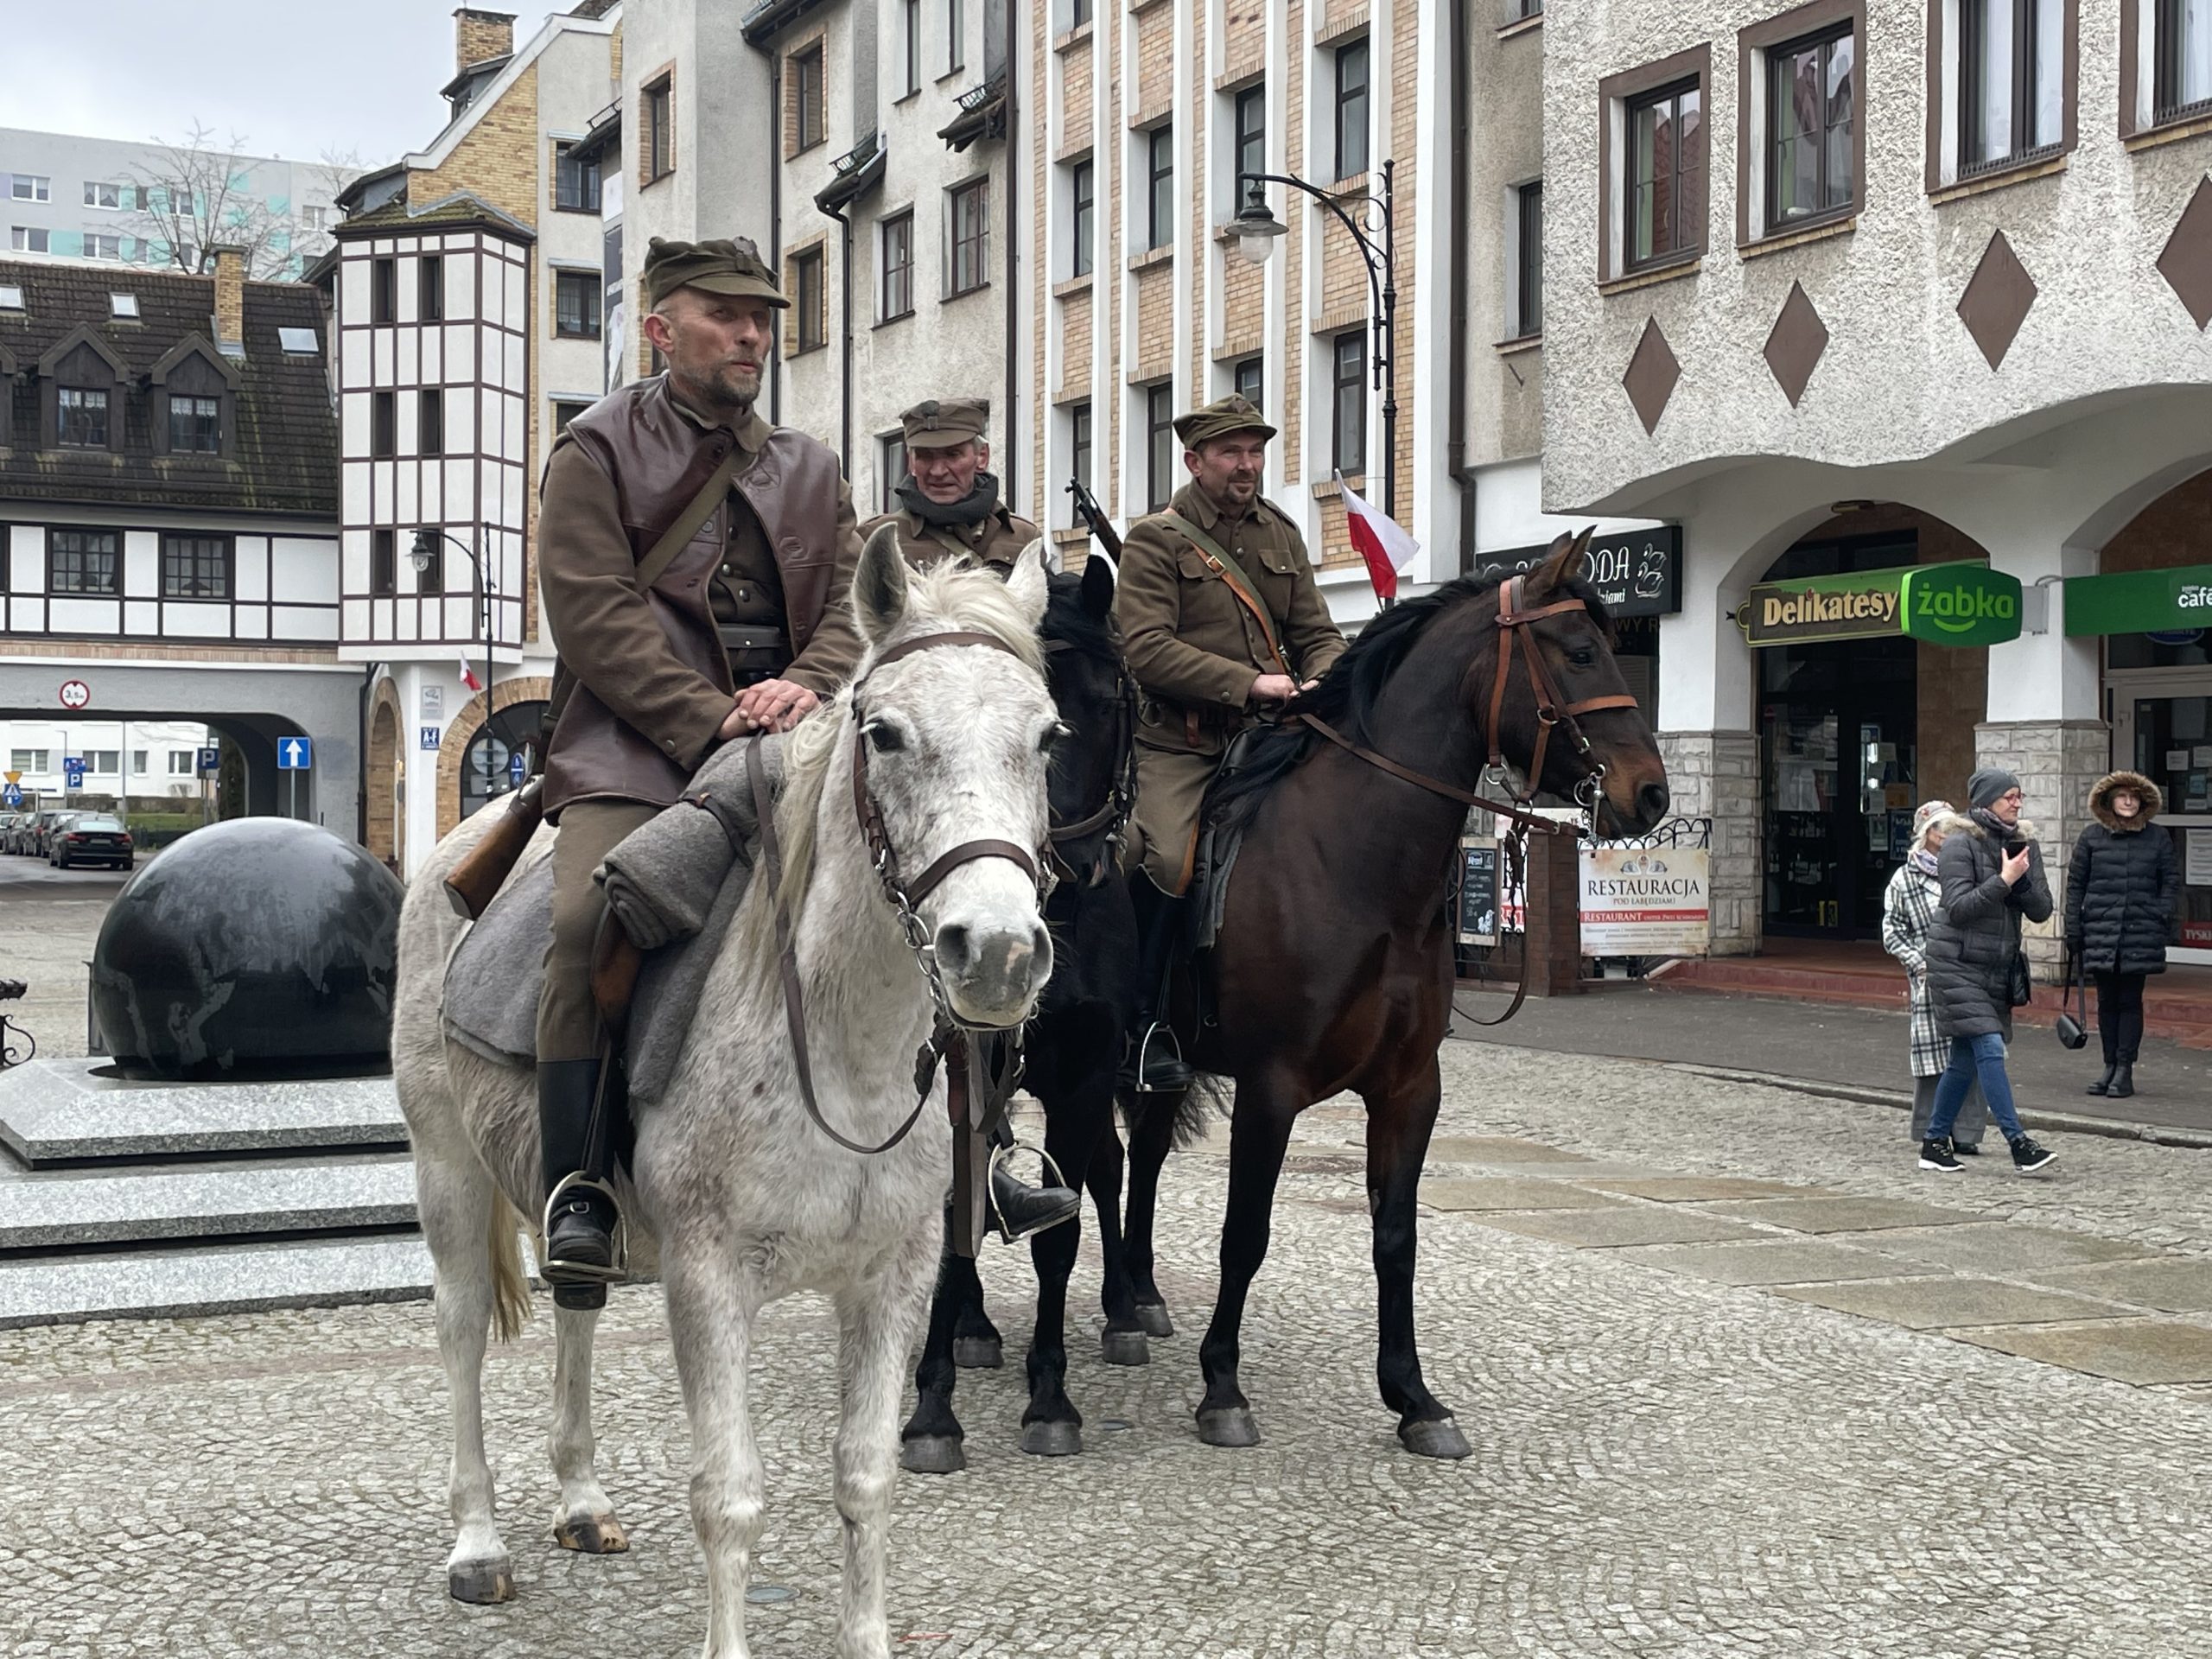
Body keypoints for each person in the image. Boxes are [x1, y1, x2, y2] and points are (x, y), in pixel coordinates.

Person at [532, 236, 867, 1298]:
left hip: (797, 740)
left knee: (932, 889)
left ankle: (975, 1162)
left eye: (761, 317)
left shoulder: (811, 465)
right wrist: (712, 718)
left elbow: (855, 611)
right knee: (589, 923)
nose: (751, 334)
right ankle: (579, 1182)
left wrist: (805, 688)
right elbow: (592, 616)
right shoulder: (593, 450)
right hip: (637, 745)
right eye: (724, 315)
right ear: (659, 327)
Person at [1113, 393, 1348, 1089]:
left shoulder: (1280, 533)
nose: (1247, 466)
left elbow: (1317, 634)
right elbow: (1147, 650)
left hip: (1270, 738)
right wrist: (1252, 684)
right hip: (1181, 746)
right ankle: (1142, 1026)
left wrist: (1329, 682)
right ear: (1193, 460)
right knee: (1163, 860)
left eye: (1254, 452)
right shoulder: (1157, 539)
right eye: (1231, 453)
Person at [1920, 768, 2059, 1173]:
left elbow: (2042, 910)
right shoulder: (1959, 843)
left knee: (1964, 1059)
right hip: (1955, 962)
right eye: (2008, 797)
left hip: (1996, 968)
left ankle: (1933, 1142)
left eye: (2019, 796)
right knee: (1990, 1047)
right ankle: (2019, 1143)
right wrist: (2003, 879)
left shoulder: (2022, 842)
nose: (2017, 803)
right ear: (1986, 801)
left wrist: (2020, 883)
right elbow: (1959, 908)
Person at [1881, 799, 1990, 1153]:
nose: (1947, 834)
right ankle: (1932, 1129)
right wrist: (1918, 962)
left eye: (1952, 827)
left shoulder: (1968, 868)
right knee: (1933, 1059)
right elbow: (1892, 930)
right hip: (1931, 977)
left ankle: (1968, 1132)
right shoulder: (1906, 878)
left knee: (1972, 1052)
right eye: (1940, 828)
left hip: (1969, 971)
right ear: (1925, 834)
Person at [2066, 769, 2181, 1100]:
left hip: (2139, 931)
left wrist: (2159, 913)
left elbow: (2170, 881)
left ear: (2142, 801)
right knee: (2106, 1001)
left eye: (2133, 796)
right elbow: (2076, 884)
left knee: (2130, 1001)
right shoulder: (2091, 837)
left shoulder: (2157, 837)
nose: (2128, 801)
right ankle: (2108, 1064)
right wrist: (2073, 926)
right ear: (2109, 800)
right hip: (2101, 930)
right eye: (2121, 795)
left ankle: (2124, 1068)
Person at [861, 398, 1040, 572]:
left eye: (953, 454)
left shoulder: (1023, 537)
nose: (938, 471)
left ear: (981, 457)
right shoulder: (876, 538)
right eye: (925, 456)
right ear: (912, 463)